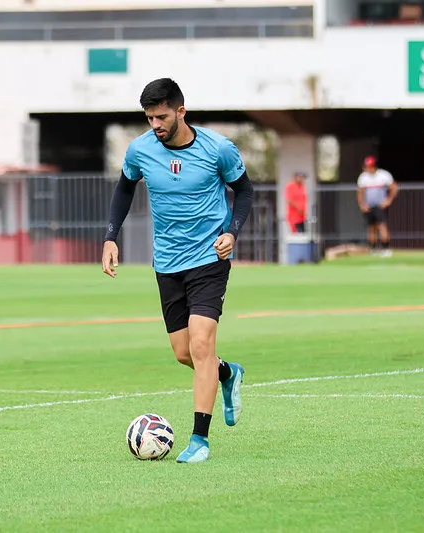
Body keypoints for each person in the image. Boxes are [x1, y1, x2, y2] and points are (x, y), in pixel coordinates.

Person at [101, 78, 253, 463]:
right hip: (167, 262)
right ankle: (227, 374)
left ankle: (199, 440)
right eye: (149, 117)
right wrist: (110, 236)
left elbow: (246, 191)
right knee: (184, 353)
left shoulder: (218, 148)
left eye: (162, 116)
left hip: (209, 259)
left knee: (202, 345)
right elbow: (124, 188)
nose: (155, 124)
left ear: (181, 111)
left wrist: (232, 233)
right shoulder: (140, 150)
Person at [356, 156, 398, 257]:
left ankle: (385, 248)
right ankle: (373, 249)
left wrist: (388, 200)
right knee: (371, 228)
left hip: (380, 206)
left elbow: (394, 187)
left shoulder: (383, 175)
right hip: (369, 206)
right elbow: (360, 192)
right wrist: (362, 204)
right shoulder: (363, 177)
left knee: (382, 226)